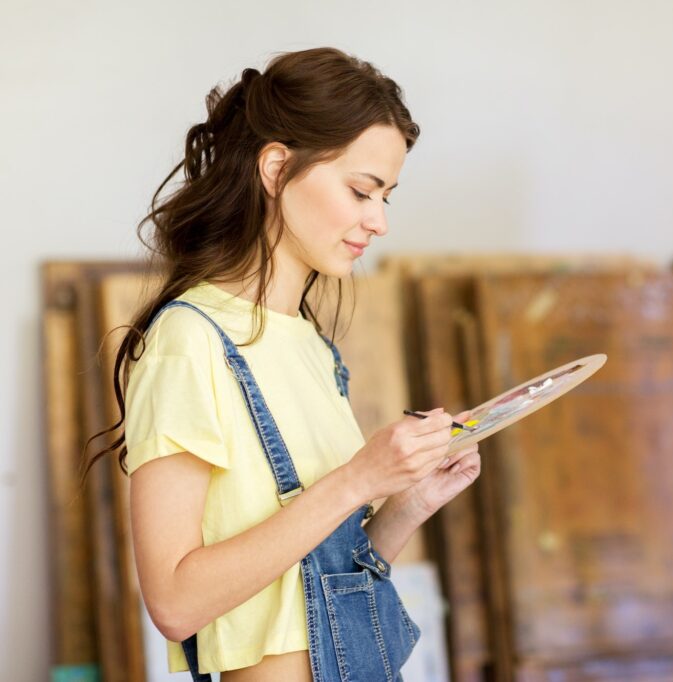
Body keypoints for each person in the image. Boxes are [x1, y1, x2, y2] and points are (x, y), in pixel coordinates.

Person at [82, 47, 482, 681]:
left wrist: (407, 501)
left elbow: (321, 580)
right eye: (360, 191)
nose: (377, 222)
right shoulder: (191, 341)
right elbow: (175, 602)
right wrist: (355, 479)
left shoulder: (308, 344)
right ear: (275, 167)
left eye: (386, 198)